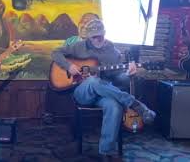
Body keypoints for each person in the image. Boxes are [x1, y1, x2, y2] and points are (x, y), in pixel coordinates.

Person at [51, 19, 156, 161]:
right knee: (93, 81)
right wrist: (68, 66)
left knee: (114, 106)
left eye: (100, 35)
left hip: (104, 93)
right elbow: (55, 53)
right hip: (82, 92)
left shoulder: (111, 49)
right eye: (94, 37)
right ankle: (135, 104)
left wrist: (128, 72)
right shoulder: (79, 47)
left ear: (105, 33)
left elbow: (116, 76)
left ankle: (106, 151)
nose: (97, 39)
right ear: (88, 37)